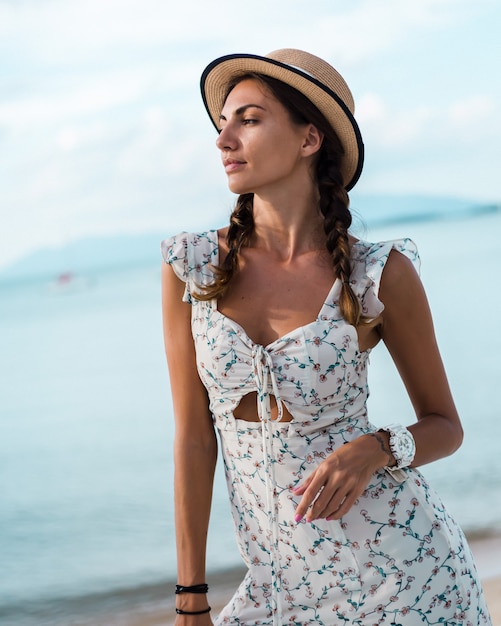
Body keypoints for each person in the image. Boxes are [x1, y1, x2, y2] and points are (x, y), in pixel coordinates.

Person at [161, 49, 491, 625]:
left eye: (250, 119)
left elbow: (445, 426)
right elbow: (194, 438)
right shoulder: (193, 266)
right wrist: (191, 596)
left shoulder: (375, 274)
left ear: (309, 139)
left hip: (405, 582)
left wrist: (378, 447)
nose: (224, 139)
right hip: (277, 592)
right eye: (223, 123)